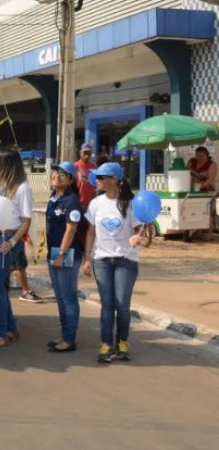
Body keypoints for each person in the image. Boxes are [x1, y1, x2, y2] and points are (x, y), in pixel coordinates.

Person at [82, 162, 145, 363]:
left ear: (115, 180)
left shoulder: (130, 204)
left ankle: (123, 342)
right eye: (97, 177)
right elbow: (90, 232)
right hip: (102, 260)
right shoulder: (96, 203)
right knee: (107, 305)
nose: (97, 181)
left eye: (101, 177)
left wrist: (137, 237)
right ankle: (106, 344)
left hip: (126, 260)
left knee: (122, 305)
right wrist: (87, 259)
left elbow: (140, 229)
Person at [0, 149, 32, 350]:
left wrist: (12, 243)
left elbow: (26, 221)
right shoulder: (1, 184)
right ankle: (10, 328)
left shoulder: (22, 187)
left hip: (8, 237)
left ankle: (2, 332)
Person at [45, 161, 83, 353]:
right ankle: (64, 334)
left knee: (68, 297)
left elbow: (71, 230)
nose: (56, 176)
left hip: (67, 253)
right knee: (60, 297)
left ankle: (69, 339)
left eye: (62, 174)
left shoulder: (71, 201)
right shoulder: (53, 197)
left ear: (70, 179)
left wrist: (61, 254)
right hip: (53, 252)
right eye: (55, 172)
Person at [74, 143, 98, 207]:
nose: (87, 156)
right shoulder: (75, 166)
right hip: (77, 202)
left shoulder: (94, 167)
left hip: (91, 203)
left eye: (89, 153)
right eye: (85, 153)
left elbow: (96, 184)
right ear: (80, 153)